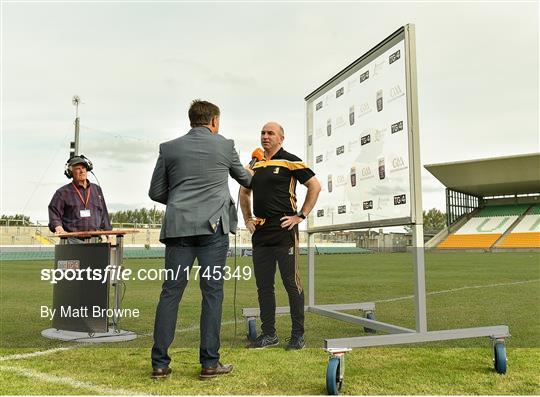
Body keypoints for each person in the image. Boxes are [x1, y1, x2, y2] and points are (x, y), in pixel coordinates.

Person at [149, 99, 252, 380]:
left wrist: (182, 201)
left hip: (178, 229)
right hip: (212, 230)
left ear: (191, 119)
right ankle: (209, 364)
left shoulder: (168, 148)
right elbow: (246, 179)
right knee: (212, 294)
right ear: (214, 121)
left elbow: (156, 192)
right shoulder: (225, 145)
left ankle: (159, 364)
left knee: (170, 293)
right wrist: (255, 167)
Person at [240, 121, 321, 350]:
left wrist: (301, 216)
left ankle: (297, 335)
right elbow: (244, 192)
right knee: (264, 286)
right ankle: (269, 334)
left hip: (285, 229)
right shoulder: (254, 164)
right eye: (263, 133)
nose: (265, 137)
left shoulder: (290, 160)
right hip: (261, 231)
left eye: (270, 133)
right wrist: (247, 219)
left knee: (291, 283)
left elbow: (315, 186)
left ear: (281, 138)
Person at [48, 155, 112, 240]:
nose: (82, 171)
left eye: (83, 168)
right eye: (78, 169)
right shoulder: (62, 192)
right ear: (71, 173)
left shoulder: (97, 189)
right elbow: (54, 213)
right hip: (72, 241)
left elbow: (104, 214)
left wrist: (109, 235)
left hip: (95, 240)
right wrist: (58, 226)